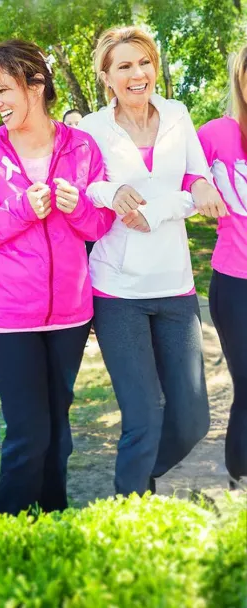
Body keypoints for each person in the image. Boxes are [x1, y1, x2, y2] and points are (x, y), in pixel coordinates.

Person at [0, 39, 114, 516]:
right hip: (8, 318)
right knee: (28, 434)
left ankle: (52, 528)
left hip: (70, 315)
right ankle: (9, 538)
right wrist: (18, 212)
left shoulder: (82, 147)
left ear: (36, 83)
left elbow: (99, 225)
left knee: (59, 436)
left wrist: (78, 206)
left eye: (5, 90)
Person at [77, 25, 225, 497]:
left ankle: (143, 475)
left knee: (193, 419)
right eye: (124, 66)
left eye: (144, 62)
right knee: (142, 419)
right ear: (107, 76)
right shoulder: (92, 128)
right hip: (118, 291)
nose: (137, 73)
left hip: (176, 286)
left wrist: (173, 202)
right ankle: (131, 505)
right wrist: (113, 191)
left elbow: (198, 181)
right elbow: (86, 190)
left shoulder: (179, 114)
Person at [196, 41, 247, 490]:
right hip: (236, 283)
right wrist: (199, 190)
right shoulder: (215, 134)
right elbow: (182, 173)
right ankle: (241, 474)